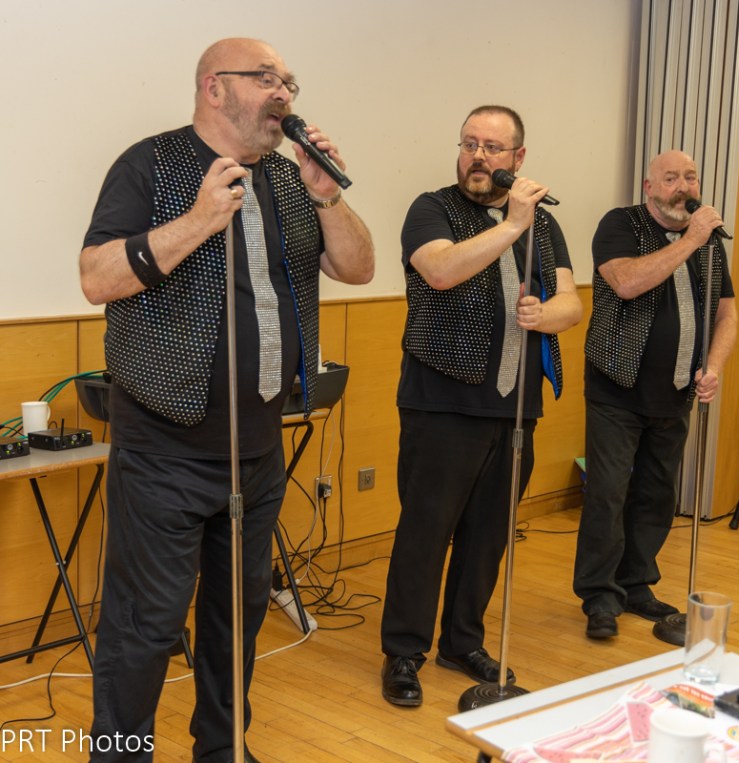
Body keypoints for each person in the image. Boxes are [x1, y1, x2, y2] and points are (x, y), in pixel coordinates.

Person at [79, 38, 374, 762]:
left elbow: (358, 268)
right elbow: (96, 277)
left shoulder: (291, 180)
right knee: (145, 629)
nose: (284, 92)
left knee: (236, 619)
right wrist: (197, 221)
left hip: (259, 449)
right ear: (214, 88)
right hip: (164, 451)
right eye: (266, 78)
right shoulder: (150, 164)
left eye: (289, 81)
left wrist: (328, 195)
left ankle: (222, 750)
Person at [380, 105, 583, 707]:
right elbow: (441, 271)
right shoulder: (432, 208)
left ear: (518, 158)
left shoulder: (544, 224)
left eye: (493, 148)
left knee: (489, 534)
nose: (478, 156)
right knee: (426, 532)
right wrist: (512, 224)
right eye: (469, 144)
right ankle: (404, 651)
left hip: (516, 405)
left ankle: (461, 641)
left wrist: (548, 313)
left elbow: (571, 302)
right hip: (443, 401)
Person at [573, 150, 737, 640]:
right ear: (649, 187)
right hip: (617, 389)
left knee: (657, 494)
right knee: (607, 494)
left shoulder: (710, 244)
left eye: (690, 177)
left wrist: (714, 366)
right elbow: (626, 283)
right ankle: (600, 596)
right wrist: (690, 240)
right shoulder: (621, 224)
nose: (683, 187)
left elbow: (727, 314)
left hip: (677, 391)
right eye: (671, 178)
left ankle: (636, 583)